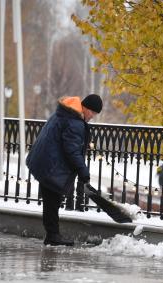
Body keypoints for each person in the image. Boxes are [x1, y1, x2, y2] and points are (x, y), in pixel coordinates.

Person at [26, 94, 102, 246]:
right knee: (52, 201)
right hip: (51, 165)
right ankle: (53, 236)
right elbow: (72, 150)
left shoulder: (65, 113)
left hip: (45, 161)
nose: (92, 116)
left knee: (51, 202)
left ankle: (52, 235)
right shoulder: (75, 122)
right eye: (92, 112)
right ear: (86, 107)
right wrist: (83, 171)